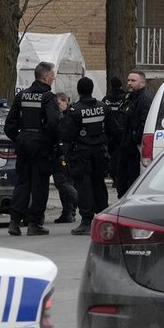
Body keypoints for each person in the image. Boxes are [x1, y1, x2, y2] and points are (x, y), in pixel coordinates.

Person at [4, 61, 61, 236]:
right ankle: (34, 223)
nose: (53, 77)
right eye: (52, 75)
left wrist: (20, 138)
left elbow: (9, 125)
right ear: (45, 77)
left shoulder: (22, 96)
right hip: (40, 146)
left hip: (23, 143)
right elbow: (53, 123)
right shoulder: (49, 97)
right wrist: (49, 141)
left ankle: (14, 221)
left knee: (22, 183)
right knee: (39, 185)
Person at [64, 77, 117, 235]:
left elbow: (66, 134)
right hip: (100, 152)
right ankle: (103, 217)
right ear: (92, 89)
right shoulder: (103, 107)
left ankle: (86, 221)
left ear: (79, 91)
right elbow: (113, 130)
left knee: (84, 185)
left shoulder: (75, 110)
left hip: (82, 153)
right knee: (99, 184)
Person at [115, 69, 153, 197]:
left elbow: (144, 122)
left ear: (142, 83)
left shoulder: (144, 99)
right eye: (128, 80)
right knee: (121, 179)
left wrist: (135, 140)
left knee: (131, 180)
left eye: (133, 81)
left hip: (133, 148)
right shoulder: (130, 97)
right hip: (125, 145)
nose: (129, 83)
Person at [52, 92, 78, 223]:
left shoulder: (69, 115)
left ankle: (73, 203)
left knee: (62, 182)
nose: (57, 106)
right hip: (64, 152)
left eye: (58, 104)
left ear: (64, 101)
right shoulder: (63, 115)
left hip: (65, 152)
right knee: (65, 182)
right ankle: (68, 212)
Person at [102, 76, 127, 180]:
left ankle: (113, 175)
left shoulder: (106, 99)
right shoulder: (125, 97)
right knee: (122, 154)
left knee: (112, 154)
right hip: (123, 131)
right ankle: (120, 175)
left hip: (110, 132)